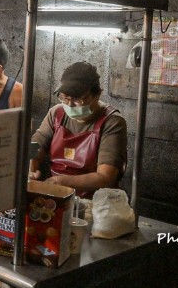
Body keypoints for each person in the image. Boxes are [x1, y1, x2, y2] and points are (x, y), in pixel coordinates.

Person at [29, 62, 127, 198]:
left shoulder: (112, 122)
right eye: (64, 97)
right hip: (56, 193)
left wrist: (61, 181)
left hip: (94, 200)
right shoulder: (56, 113)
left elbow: (106, 177)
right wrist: (31, 164)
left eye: (77, 99)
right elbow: (36, 143)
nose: (69, 104)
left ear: (97, 95)